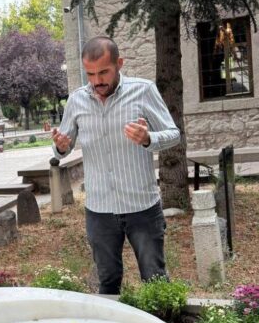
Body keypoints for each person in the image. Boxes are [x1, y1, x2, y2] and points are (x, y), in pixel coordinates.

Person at [51, 35, 180, 295]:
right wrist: (61, 147)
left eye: (103, 72)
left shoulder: (143, 90)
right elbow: (61, 148)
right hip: (99, 210)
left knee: (155, 280)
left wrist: (148, 138)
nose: (97, 81)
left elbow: (173, 133)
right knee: (107, 282)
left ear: (119, 63)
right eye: (90, 74)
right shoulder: (76, 101)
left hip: (142, 207)